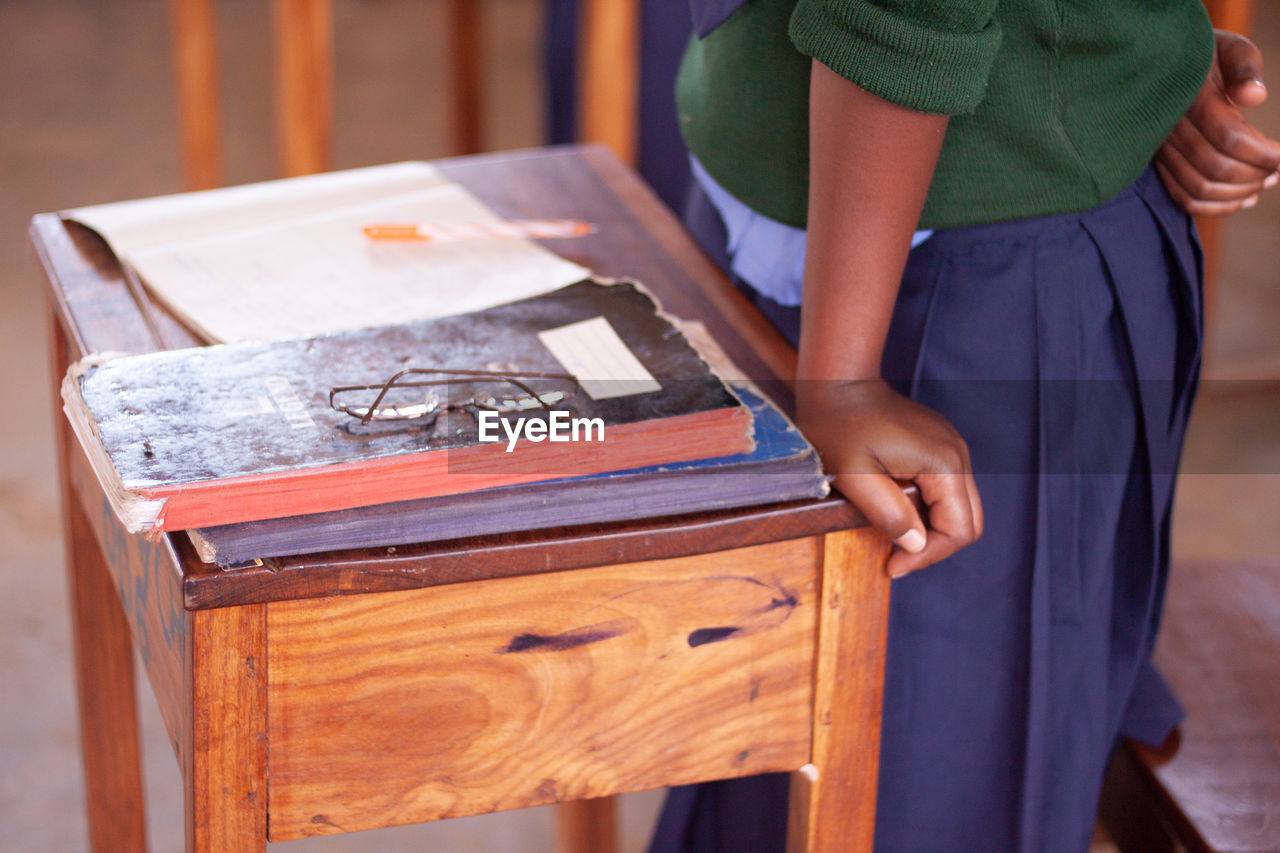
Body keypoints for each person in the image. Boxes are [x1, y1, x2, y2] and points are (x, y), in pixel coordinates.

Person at [648, 1, 1280, 850]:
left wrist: (1125, 54)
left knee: (927, 780)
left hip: (967, 267)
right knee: (752, 728)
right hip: (812, 213)